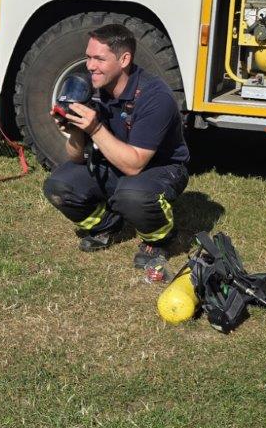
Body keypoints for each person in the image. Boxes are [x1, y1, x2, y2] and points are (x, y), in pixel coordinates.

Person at [42, 23, 190, 269]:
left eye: (99, 59)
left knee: (132, 194)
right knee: (58, 186)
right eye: (88, 57)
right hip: (115, 163)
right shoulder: (92, 89)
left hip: (159, 168)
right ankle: (107, 225)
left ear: (124, 60)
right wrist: (76, 129)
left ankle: (159, 239)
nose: (90, 66)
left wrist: (95, 129)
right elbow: (76, 157)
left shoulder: (154, 96)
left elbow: (134, 165)